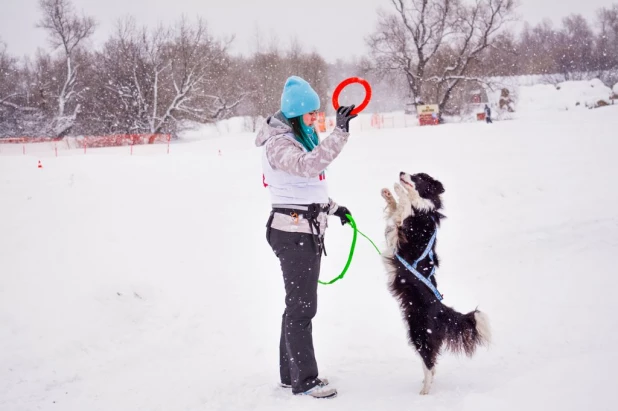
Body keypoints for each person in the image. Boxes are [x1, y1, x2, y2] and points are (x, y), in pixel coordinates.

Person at [254, 76, 357, 399]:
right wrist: (340, 133)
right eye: (311, 114)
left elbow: (304, 188)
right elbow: (307, 167)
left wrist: (333, 208)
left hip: (305, 227)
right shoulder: (279, 144)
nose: (316, 119)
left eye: (316, 113)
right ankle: (305, 380)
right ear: (296, 114)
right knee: (302, 308)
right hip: (292, 232)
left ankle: (290, 374)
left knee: (296, 306)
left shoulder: (298, 137)